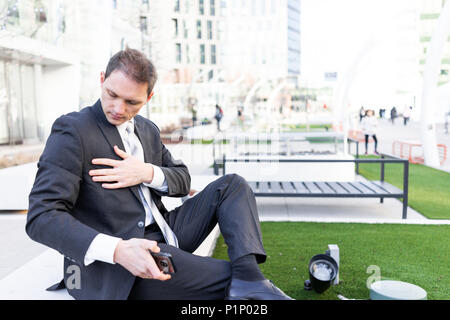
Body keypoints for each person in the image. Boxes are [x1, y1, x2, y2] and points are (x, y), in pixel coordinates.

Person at [25, 48, 292, 300]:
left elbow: (182, 180)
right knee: (225, 277)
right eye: (112, 94)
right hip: (122, 264)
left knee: (233, 185)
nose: (119, 108)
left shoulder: (147, 130)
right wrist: (117, 250)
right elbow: (42, 216)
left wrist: (147, 172)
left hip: (166, 233)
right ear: (102, 79)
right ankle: (245, 281)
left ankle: (249, 277)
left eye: (132, 102)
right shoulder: (73, 131)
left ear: (149, 98)